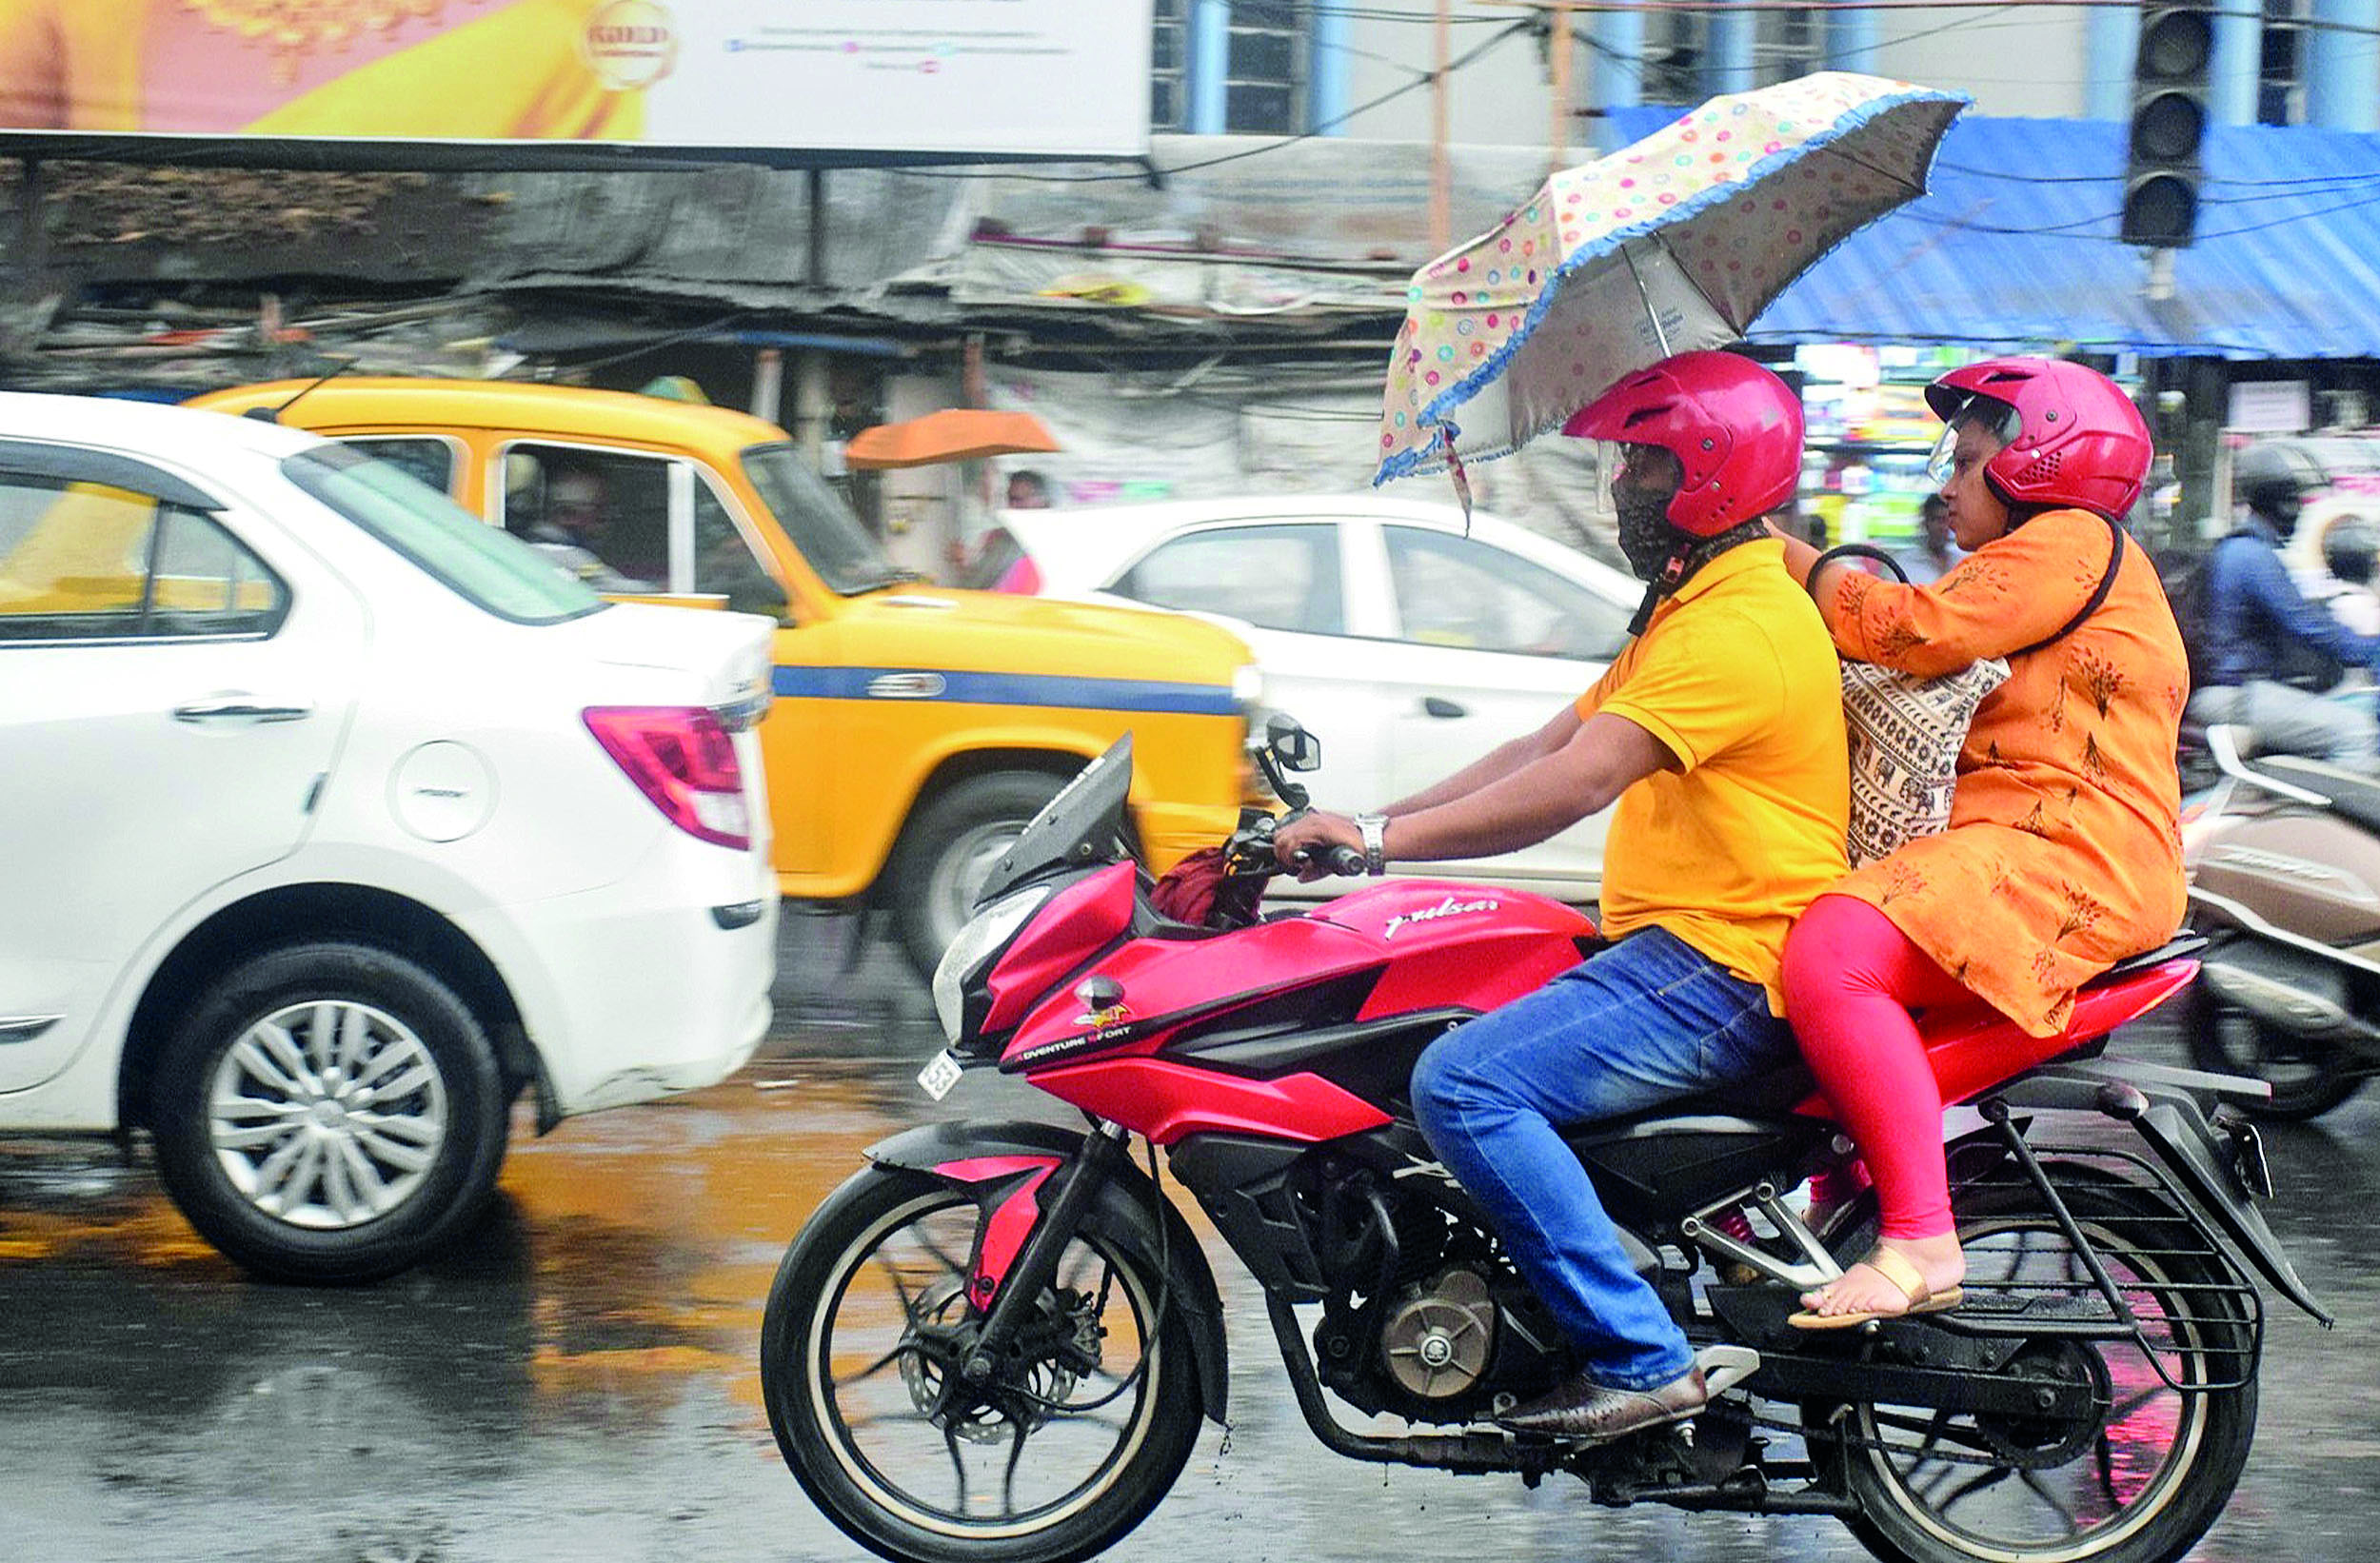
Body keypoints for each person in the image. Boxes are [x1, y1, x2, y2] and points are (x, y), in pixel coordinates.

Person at [1274, 351, 1848, 1442]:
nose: (1621, 485)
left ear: (1709, 476)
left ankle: (1640, 1360)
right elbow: (1541, 744)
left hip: (1725, 964)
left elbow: (1574, 785)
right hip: (1686, 946)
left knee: (1464, 1084)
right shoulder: (1694, 606)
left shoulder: (1735, 629)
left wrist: (1382, 840)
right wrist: (1365, 831)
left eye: (1642, 462)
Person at [1772, 358, 2189, 1327]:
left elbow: (1908, 629)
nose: (1945, 483)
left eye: (1964, 461)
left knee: (1835, 948)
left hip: (2071, 853)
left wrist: (1768, 551)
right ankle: (1834, 1210)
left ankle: (1919, 1231)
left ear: (2036, 463)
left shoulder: (2068, 542)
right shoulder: (2053, 559)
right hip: (2037, 844)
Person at [2186, 445, 2380, 768]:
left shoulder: (2247, 549)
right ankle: (2331, 820)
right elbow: (2305, 622)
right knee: (2356, 731)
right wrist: (2368, 649)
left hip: (2243, 691)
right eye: (2297, 501)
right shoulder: (2251, 555)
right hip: (2237, 695)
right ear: (2282, 503)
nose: (2301, 510)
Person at [1895, 494, 1962, 584]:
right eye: (1939, 520)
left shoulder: (1961, 561)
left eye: (1948, 520)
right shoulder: (1905, 565)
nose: (1944, 527)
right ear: (1926, 523)